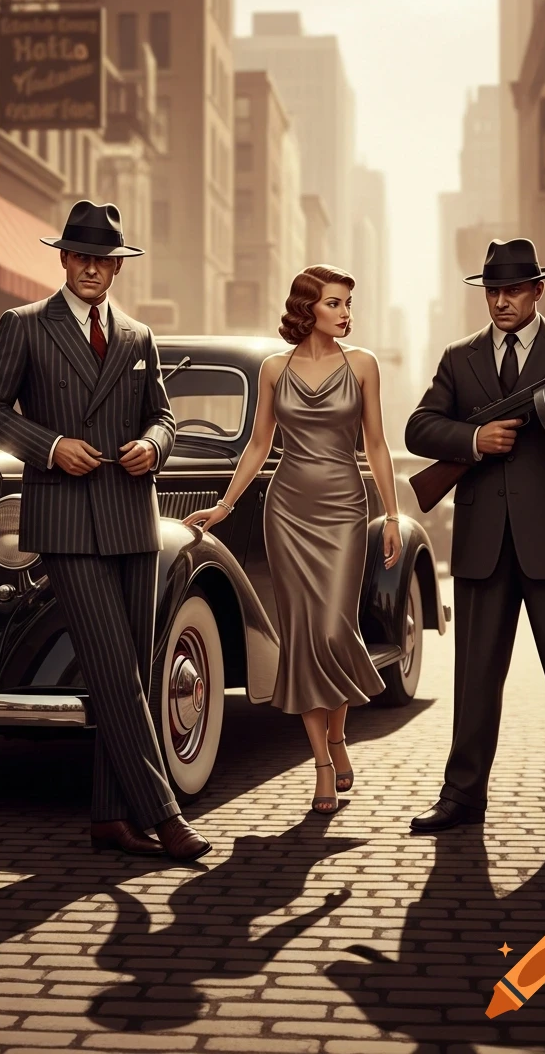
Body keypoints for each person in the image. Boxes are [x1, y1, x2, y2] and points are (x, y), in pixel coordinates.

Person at [0, 200, 210, 862]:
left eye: (105, 260)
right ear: (65, 259)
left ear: (117, 268)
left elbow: (164, 416)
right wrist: (49, 447)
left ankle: (108, 817)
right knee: (114, 671)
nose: (93, 269)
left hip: (133, 519)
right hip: (67, 522)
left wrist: (153, 447)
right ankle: (164, 814)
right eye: (82, 257)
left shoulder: (137, 335)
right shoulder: (23, 325)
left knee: (131, 671)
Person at [406, 237, 545, 843]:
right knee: (474, 682)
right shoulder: (459, 357)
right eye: (493, 291)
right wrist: (473, 441)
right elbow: (419, 428)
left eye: (514, 290)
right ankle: (461, 798)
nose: (501, 301)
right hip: (482, 543)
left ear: (537, 291)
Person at [184, 264, 402, 815]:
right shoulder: (274, 369)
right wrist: (225, 505)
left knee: (334, 629)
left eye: (348, 303)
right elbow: (259, 445)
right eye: (334, 303)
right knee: (303, 636)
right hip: (287, 512)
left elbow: (376, 444)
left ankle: (338, 735)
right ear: (308, 309)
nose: (346, 313)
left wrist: (393, 515)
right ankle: (323, 762)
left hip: (345, 509)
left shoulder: (364, 365)